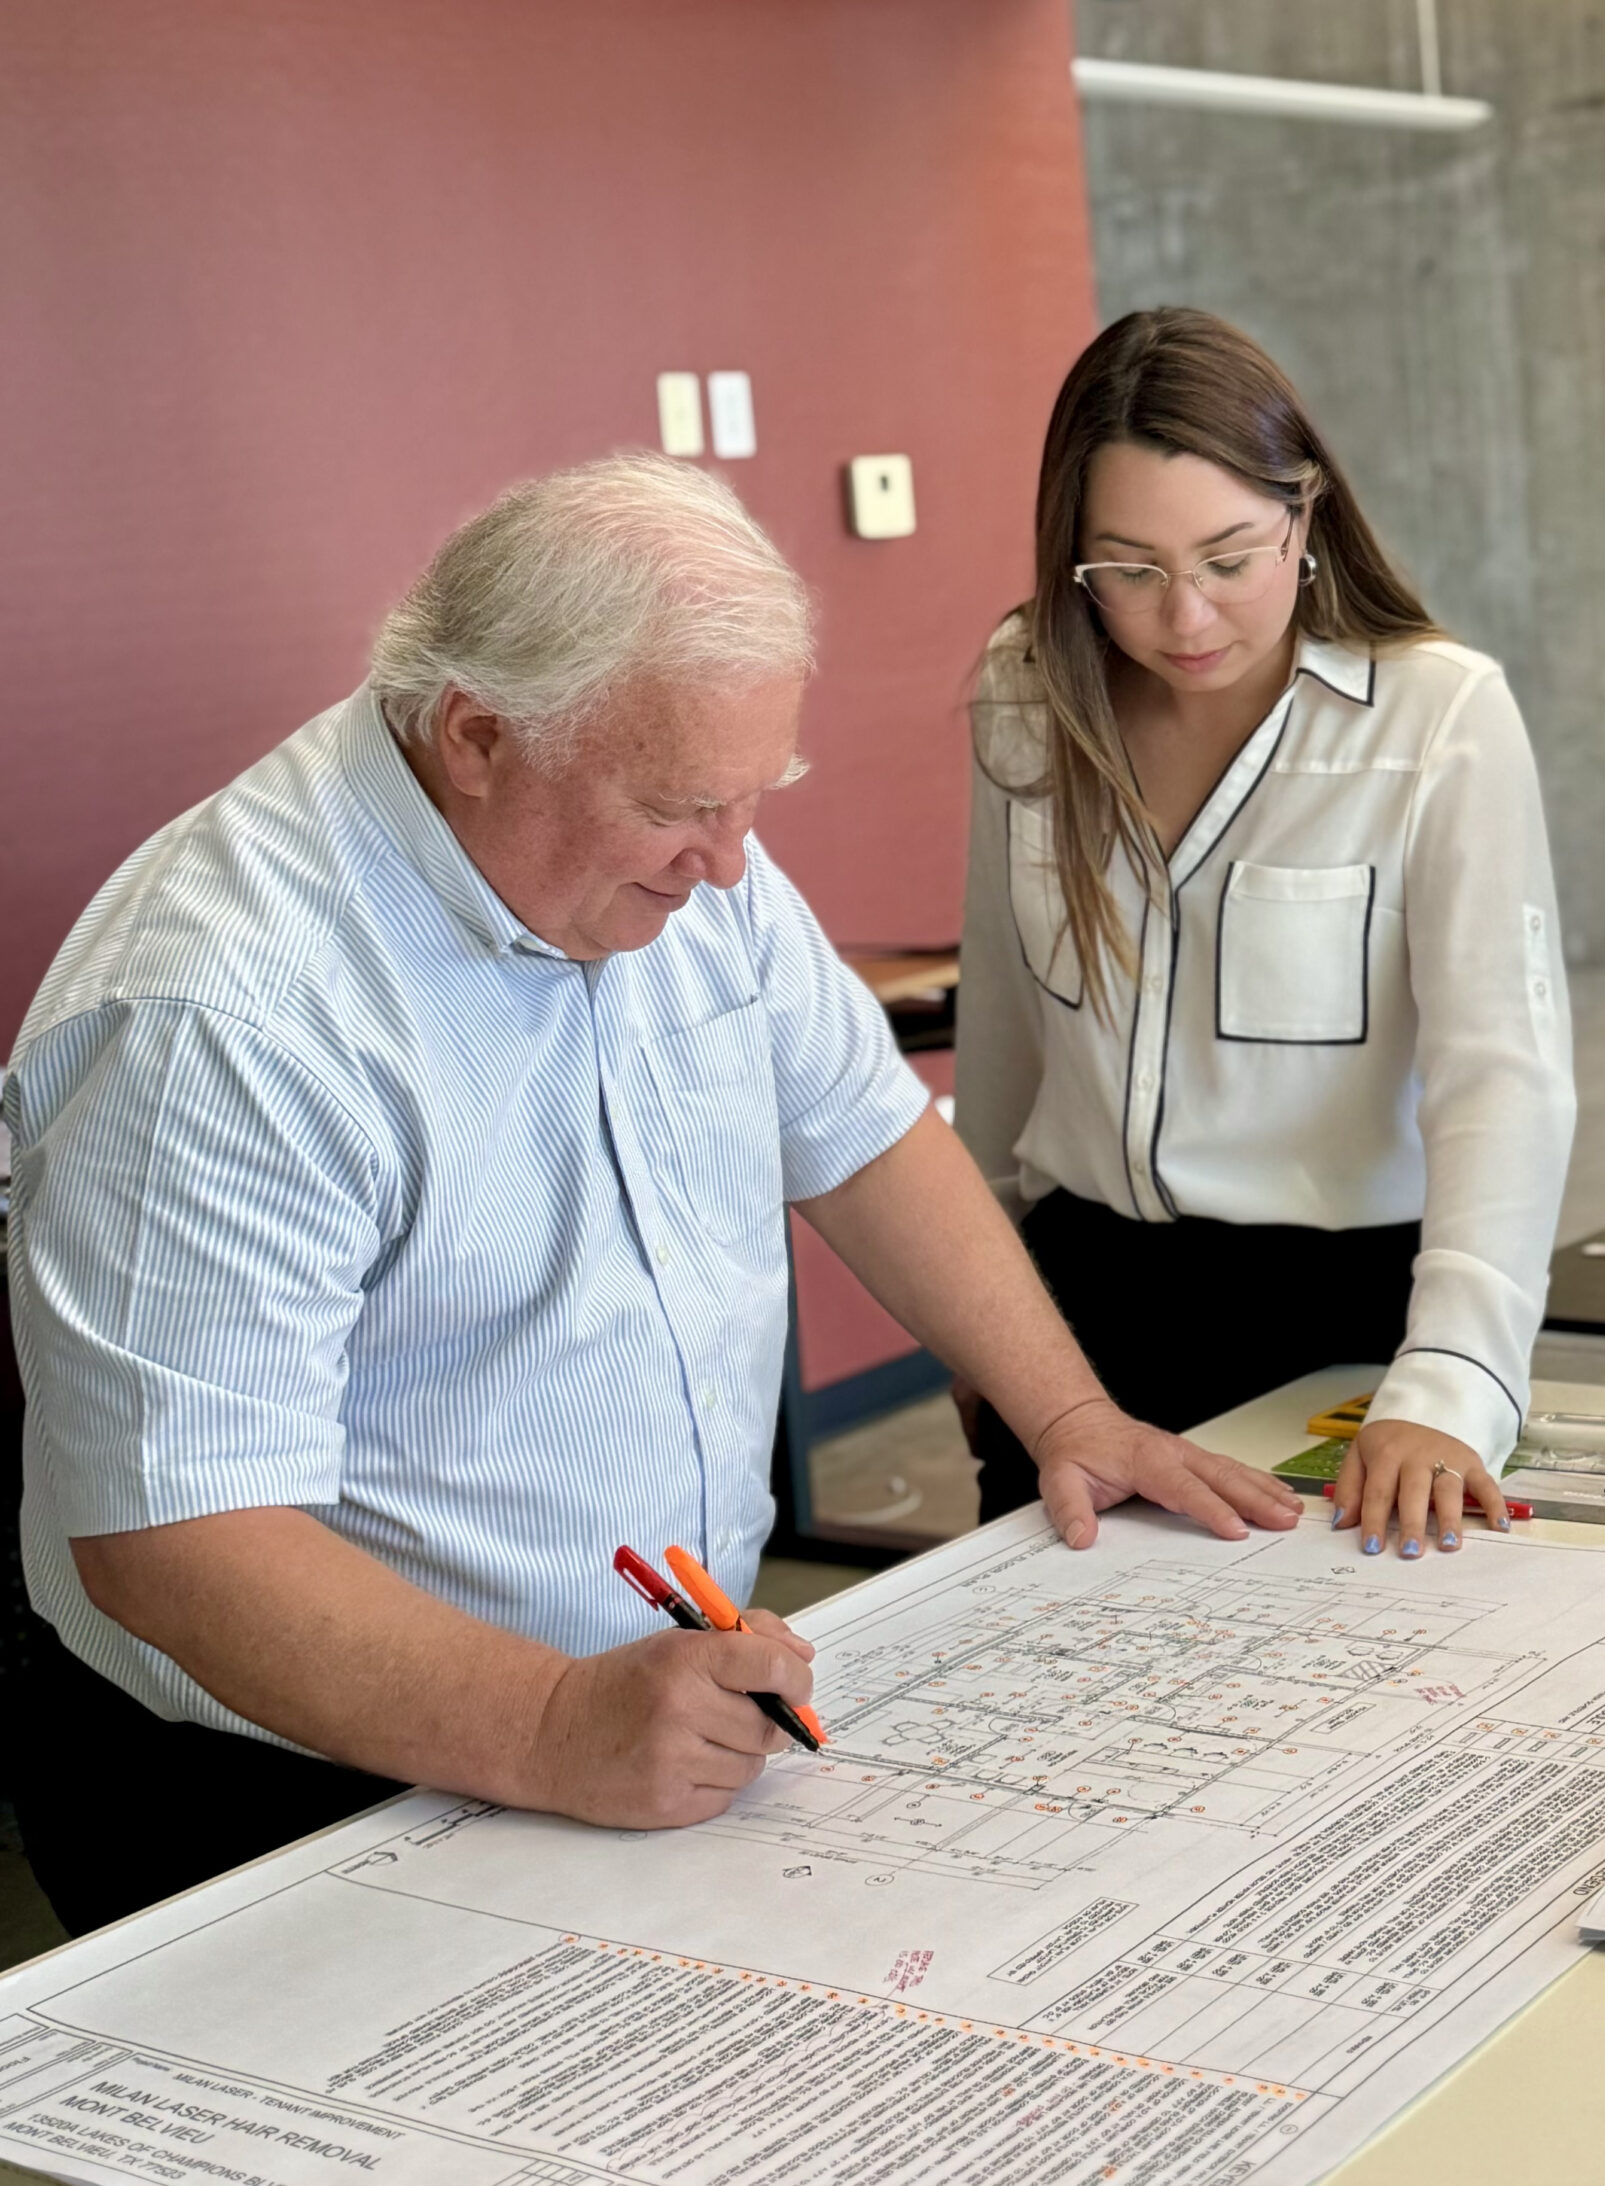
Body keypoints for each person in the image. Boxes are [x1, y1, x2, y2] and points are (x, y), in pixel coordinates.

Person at [5, 452, 1299, 1935]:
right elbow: (178, 1541)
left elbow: (865, 1132)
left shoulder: (669, 854)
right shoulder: (221, 1016)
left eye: (757, 800)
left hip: (632, 1708)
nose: (734, 864)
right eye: (686, 806)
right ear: (479, 735)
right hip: (276, 1779)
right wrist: (553, 1720)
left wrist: (1067, 1416)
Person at [955, 309, 1575, 1557]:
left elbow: (1501, 1079)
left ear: (1305, 516)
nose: (1184, 617)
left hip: (1338, 1321)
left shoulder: (1436, 714)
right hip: (1076, 1320)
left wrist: (1449, 1381)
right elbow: (1004, 1033)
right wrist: (981, 1319)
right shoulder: (1027, 688)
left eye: (1229, 557)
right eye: (1126, 568)